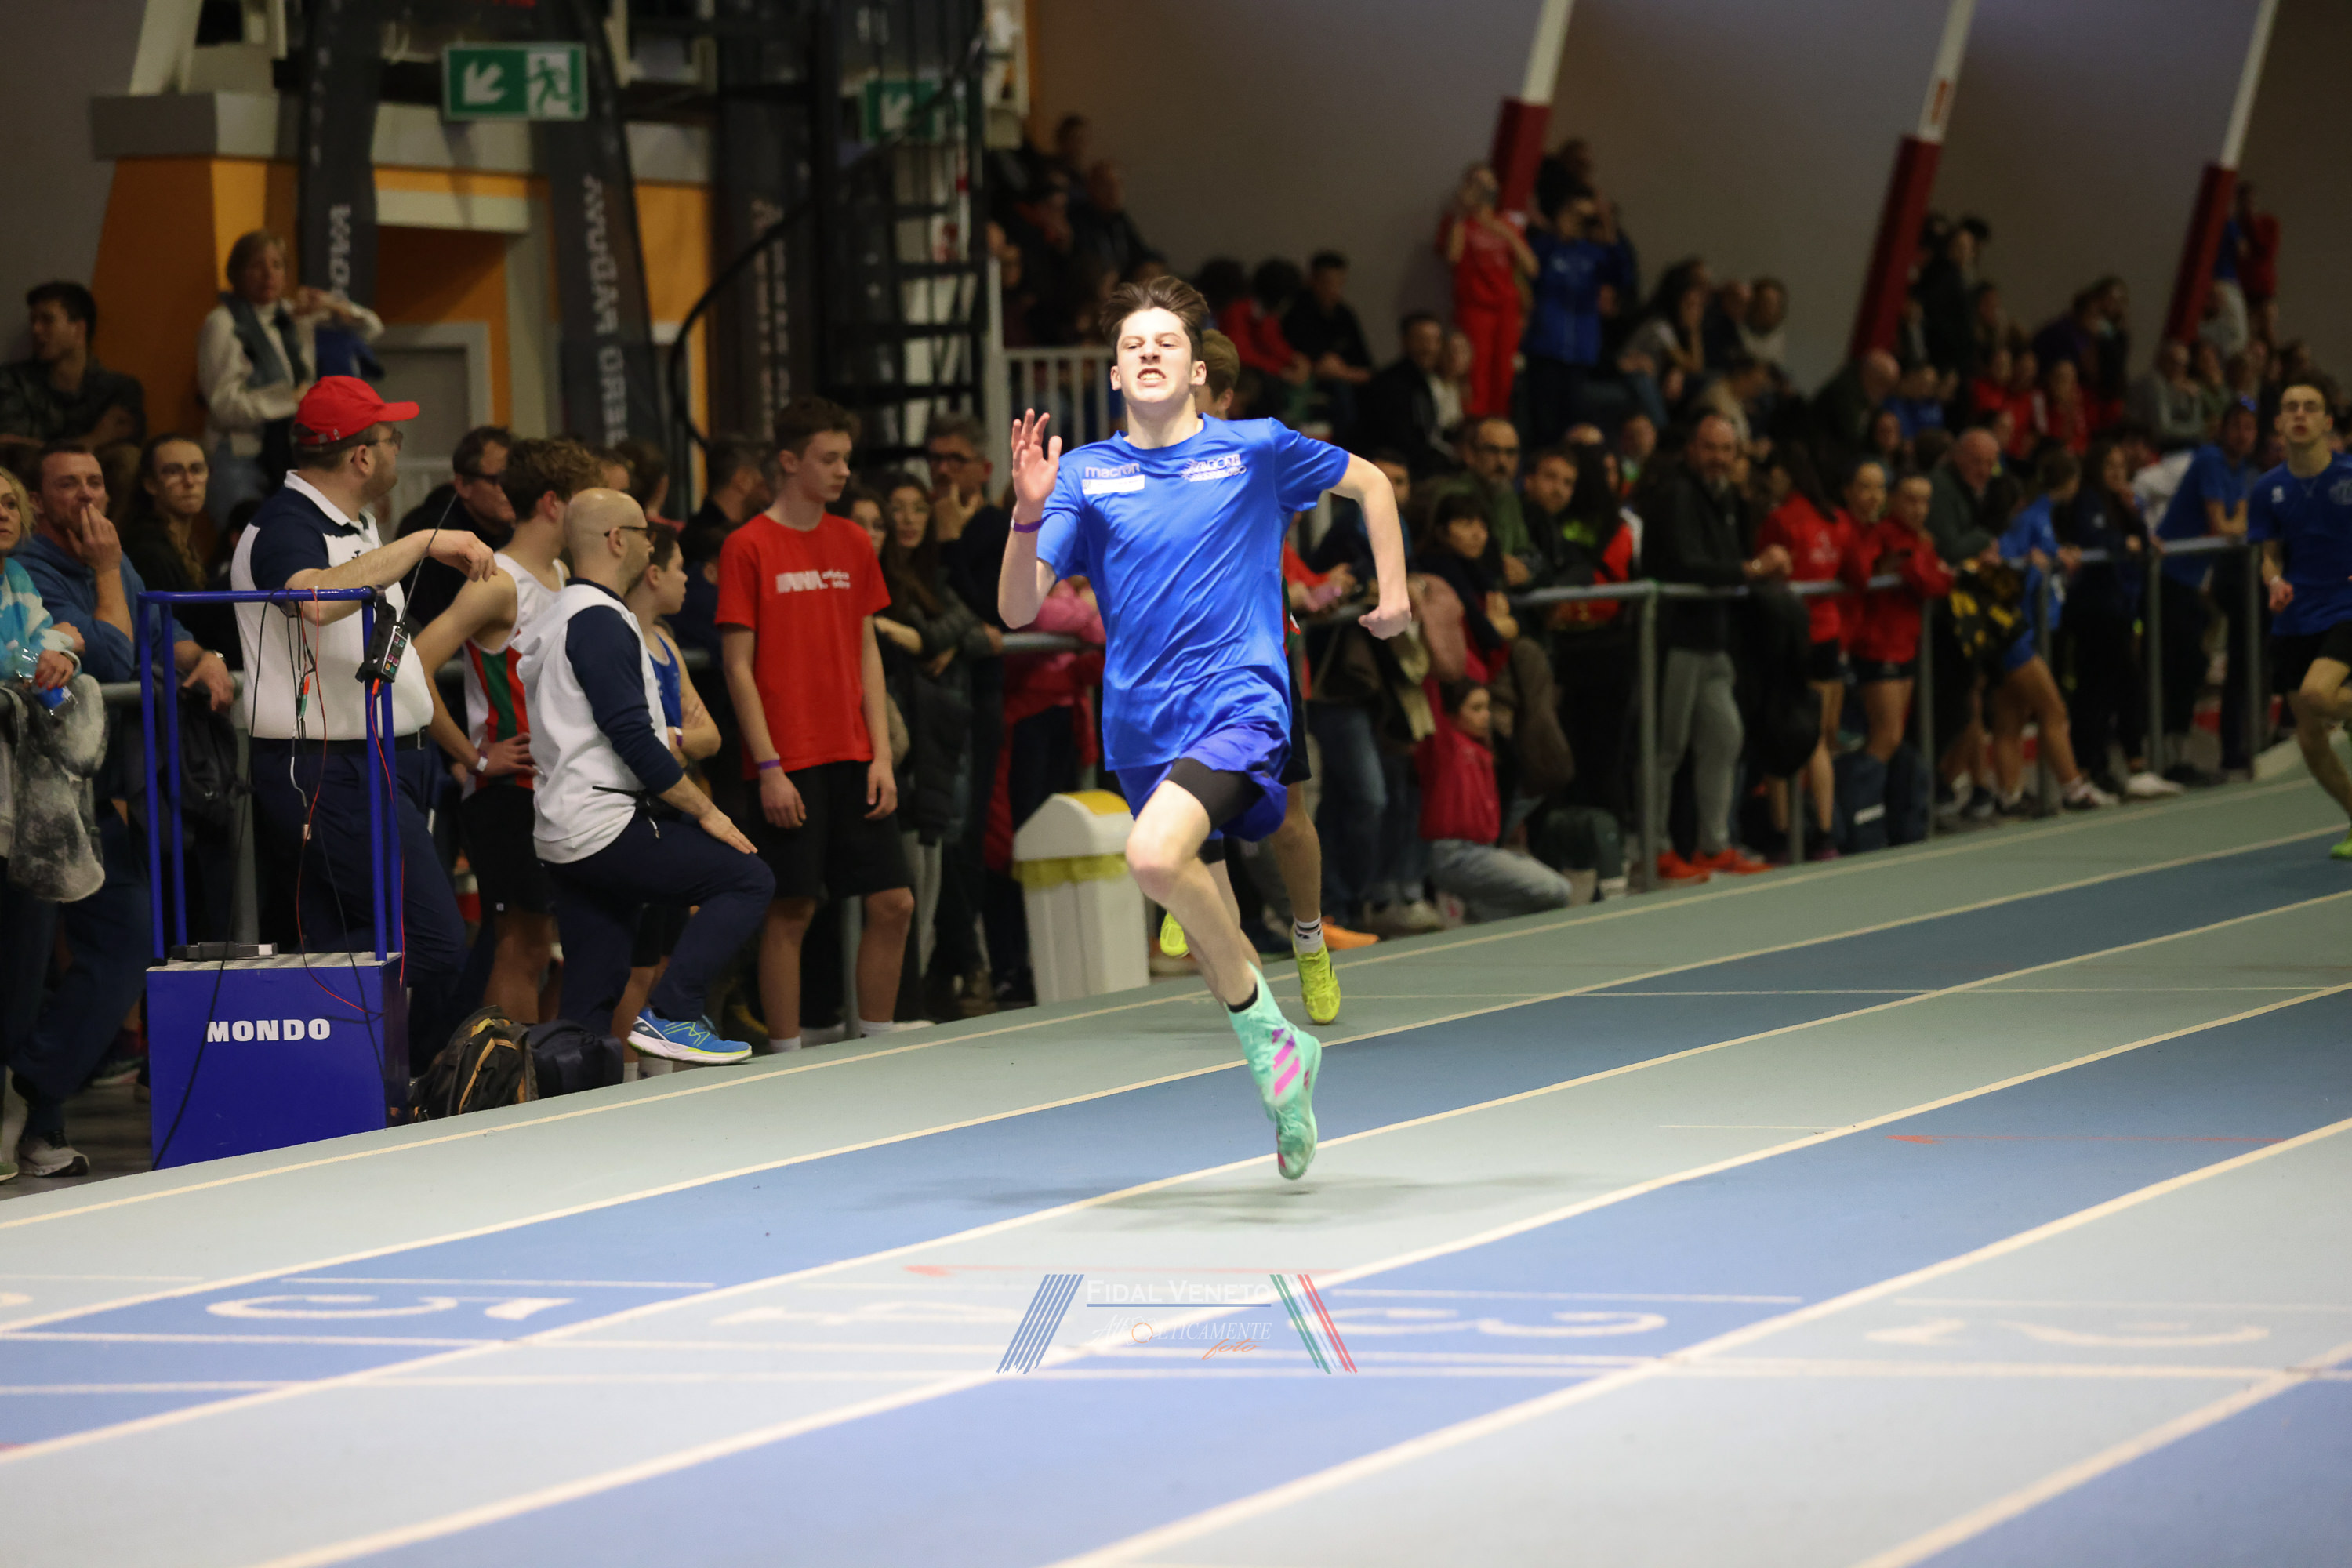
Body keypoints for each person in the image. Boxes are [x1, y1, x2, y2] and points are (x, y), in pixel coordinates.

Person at [1000, 275, 1410, 1182]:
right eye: (1133, 344)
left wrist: (1394, 591)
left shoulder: (1254, 448)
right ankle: (1275, 1047)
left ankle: (1277, 1020)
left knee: (1152, 857)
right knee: (1195, 903)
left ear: (1196, 371)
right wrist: (1027, 512)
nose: (1149, 351)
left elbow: (1373, 483)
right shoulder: (1085, 474)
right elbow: (1019, 605)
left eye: (1167, 342)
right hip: (1141, 729)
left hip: (1240, 704)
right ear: (1115, 374)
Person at [231, 377, 497, 1069]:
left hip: (377, 758)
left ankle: (353, 1093)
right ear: (361, 456)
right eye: (391, 439)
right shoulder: (286, 524)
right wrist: (421, 543)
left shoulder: (352, 524)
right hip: (332, 766)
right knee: (432, 941)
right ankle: (417, 1084)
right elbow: (313, 602)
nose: (397, 451)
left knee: (346, 940)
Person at [3, 442, 227, 1177]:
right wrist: (101, 584)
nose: (87, 496)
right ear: (42, 501)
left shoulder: (94, 560)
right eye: (68, 485)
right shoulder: (39, 565)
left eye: (96, 481)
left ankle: (30, 1090)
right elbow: (112, 658)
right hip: (29, 805)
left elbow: (157, 632)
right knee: (22, 972)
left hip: (89, 803)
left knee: (130, 942)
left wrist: (201, 657)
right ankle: (36, 1126)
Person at [1156, 330, 1374, 1026]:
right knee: (1183, 792)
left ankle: (1310, 942)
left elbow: (1350, 488)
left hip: (1260, 658)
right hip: (1184, 662)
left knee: (1287, 817)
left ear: (1224, 398)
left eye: (1196, 394)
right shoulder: (1148, 459)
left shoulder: (1257, 456)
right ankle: (1186, 880)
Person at [515, 488, 771, 1059]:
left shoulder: (561, 612)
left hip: (565, 826)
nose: (651, 545)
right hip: (603, 822)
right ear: (617, 540)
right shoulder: (600, 621)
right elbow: (632, 738)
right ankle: (675, 1011)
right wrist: (707, 812)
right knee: (747, 879)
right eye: (643, 533)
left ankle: (574, 1098)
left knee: (591, 999)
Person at [719, 399, 917, 1051]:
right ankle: (786, 1056)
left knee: (894, 902)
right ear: (788, 461)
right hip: (788, 759)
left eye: (845, 459)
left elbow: (867, 652)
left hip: (854, 753)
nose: (842, 471)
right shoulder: (747, 545)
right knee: (792, 910)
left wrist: (881, 756)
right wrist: (768, 767)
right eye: (829, 459)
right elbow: (738, 667)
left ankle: (878, 1043)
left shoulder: (854, 541)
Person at [409, 438, 601, 1024]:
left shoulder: (563, 574)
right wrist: (474, 756)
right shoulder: (498, 581)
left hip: (561, 787)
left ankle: (547, 1063)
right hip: (508, 793)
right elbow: (412, 664)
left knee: (575, 945)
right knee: (524, 946)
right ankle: (506, 1072)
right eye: (585, 502)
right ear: (553, 503)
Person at [1643, 413, 1786, 880]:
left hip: (1715, 639)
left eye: (1727, 450)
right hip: (1677, 640)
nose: (1718, 458)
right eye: (1710, 448)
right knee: (1665, 749)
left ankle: (1714, 845)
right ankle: (1655, 850)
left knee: (1725, 737)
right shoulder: (1676, 494)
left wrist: (1751, 568)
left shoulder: (1727, 498)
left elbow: (1727, 560)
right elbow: (1686, 563)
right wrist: (1751, 569)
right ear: (1692, 449)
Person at [610, 521, 722, 1040]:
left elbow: (710, 736)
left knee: (660, 961)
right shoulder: (619, 640)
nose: (688, 579)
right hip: (635, 813)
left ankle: (660, 1067)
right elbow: (638, 739)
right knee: (634, 967)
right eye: (680, 569)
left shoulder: (667, 645)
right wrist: (676, 739)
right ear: (653, 575)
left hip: (672, 809)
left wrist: (672, 736)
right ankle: (626, 1074)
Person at [198, 230, 383, 517]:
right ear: (237, 272)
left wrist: (330, 304)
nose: (268, 274)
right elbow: (223, 407)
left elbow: (371, 328)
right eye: (257, 265)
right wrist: (290, 400)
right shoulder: (222, 323)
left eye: (276, 265)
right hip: (241, 454)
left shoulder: (294, 315)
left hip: (296, 450)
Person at [2249, 375, 2352, 857]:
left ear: (2327, 422)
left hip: (2346, 607)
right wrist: (2274, 582)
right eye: (2291, 407)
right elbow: (2268, 556)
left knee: (2318, 694)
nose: (2300, 414)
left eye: (2310, 407)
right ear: (2278, 423)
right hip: (2295, 618)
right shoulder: (2267, 489)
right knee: (2310, 739)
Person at [1987, 452, 2111, 812]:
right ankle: (2074, 790)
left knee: (2011, 717)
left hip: (2022, 633)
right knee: (2053, 710)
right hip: (2015, 637)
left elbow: (2042, 555)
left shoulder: (2035, 520)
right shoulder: (2019, 527)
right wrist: (2035, 569)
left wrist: (2056, 555)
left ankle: (2009, 795)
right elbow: (2009, 581)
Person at [1756, 448, 1856, 858]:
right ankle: (1825, 835)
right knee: (1818, 739)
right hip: (1828, 635)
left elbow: (1762, 570)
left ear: (1785, 474)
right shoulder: (1836, 519)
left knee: (1781, 732)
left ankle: (1782, 835)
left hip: (1790, 635)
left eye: (1773, 474)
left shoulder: (1781, 520)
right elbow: (1857, 572)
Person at [2154, 399, 2261, 781]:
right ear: (2222, 429)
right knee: (2178, 666)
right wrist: (2237, 525)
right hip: (2168, 578)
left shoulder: (2241, 469)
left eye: (2249, 427)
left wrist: (2238, 524)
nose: (2242, 435)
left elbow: (2243, 520)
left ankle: (2176, 755)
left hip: (2193, 583)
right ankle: (2166, 759)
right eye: (2236, 426)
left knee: (2192, 666)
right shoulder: (2211, 460)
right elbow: (2223, 527)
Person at [2061, 437, 2172, 799]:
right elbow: (2092, 537)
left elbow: (2140, 537)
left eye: (2121, 468)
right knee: (2099, 690)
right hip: (2093, 611)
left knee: (2120, 686)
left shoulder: (2122, 503)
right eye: (2109, 467)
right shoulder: (2087, 499)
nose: (2116, 473)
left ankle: (2121, 766)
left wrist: (2137, 526)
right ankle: (2094, 768)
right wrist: (2123, 543)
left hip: (2120, 608)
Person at [1417, 680, 1581, 920]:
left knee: (1553, 893)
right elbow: (1433, 692)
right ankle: (1478, 914)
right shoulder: (1445, 748)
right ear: (1450, 714)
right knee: (1557, 890)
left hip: (1481, 851)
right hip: (1453, 854)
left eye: (1487, 708)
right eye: (1476, 709)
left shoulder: (1484, 753)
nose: (1486, 715)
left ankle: (1479, 914)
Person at [1847, 471, 1953, 763]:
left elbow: (1936, 579)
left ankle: (1877, 790)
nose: (1919, 509)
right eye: (1911, 500)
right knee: (1887, 736)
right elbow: (1928, 581)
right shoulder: (1887, 535)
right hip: (1879, 645)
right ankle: (1858, 791)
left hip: (1905, 644)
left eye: (1924, 502)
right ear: (1893, 500)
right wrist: (1941, 574)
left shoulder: (1919, 539)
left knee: (1894, 735)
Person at [118, 434, 237, 664]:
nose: (189, 481)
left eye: (197, 469)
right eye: (173, 471)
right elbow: (172, 627)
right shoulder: (145, 549)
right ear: (150, 484)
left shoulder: (182, 540)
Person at [0, 282, 145, 459]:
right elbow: (11, 448)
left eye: (47, 320)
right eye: (33, 321)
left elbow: (126, 451)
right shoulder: (15, 380)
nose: (36, 330)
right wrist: (93, 441)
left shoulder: (119, 390)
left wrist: (41, 447)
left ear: (79, 328)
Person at [394, 425, 515, 632]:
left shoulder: (510, 531)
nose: (511, 489)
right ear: (463, 485)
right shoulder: (435, 535)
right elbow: (427, 628)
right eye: (498, 480)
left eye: (514, 479)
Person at [1439, 163, 1535, 420]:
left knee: (1504, 372)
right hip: (1475, 307)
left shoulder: (1506, 224)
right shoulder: (1460, 224)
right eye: (1477, 183)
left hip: (1506, 308)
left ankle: (1498, 423)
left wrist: (1505, 233)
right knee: (1475, 371)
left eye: (1487, 184)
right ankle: (1474, 422)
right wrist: (1461, 213)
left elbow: (1531, 267)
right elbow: (1452, 258)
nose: (1483, 190)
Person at [1281, 252, 1374, 439]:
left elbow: (1366, 367)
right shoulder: (1297, 313)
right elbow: (1318, 365)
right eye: (1327, 282)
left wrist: (1345, 372)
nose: (1334, 289)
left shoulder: (1345, 315)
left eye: (1339, 283)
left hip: (1346, 379)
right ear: (1313, 281)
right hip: (1309, 384)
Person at [1357, 312, 1452, 475]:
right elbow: (1398, 440)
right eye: (1421, 340)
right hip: (1394, 471)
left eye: (1435, 340)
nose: (1429, 348)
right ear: (1405, 341)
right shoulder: (1388, 384)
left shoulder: (1428, 380)